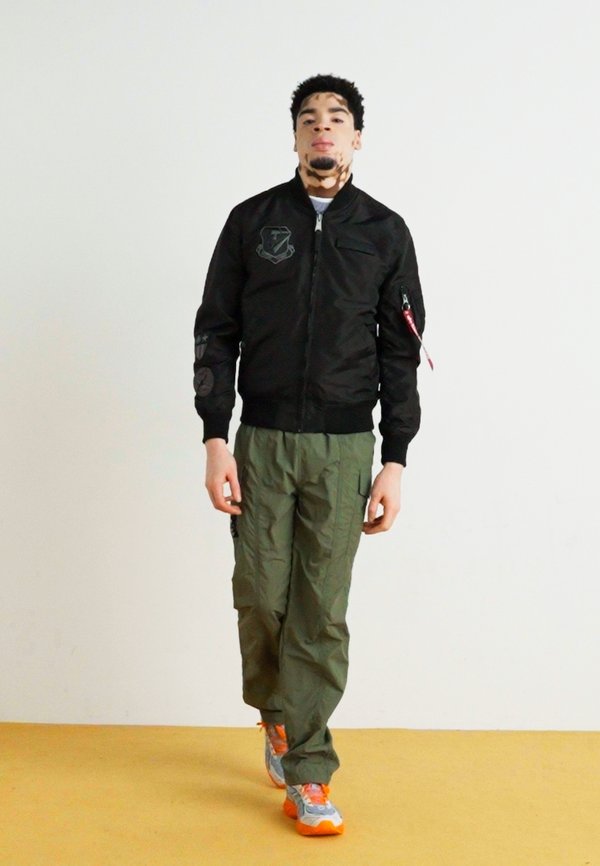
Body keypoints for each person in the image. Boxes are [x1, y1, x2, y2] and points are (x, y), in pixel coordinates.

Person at [193, 73, 427, 837]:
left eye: (337, 118)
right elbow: (215, 331)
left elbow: (401, 350)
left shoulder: (384, 232)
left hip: (345, 446)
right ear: (294, 136)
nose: (322, 128)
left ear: (357, 136)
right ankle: (277, 714)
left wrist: (395, 458)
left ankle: (310, 770)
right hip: (260, 442)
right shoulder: (252, 222)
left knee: (321, 610)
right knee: (262, 595)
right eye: (308, 119)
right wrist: (216, 437)